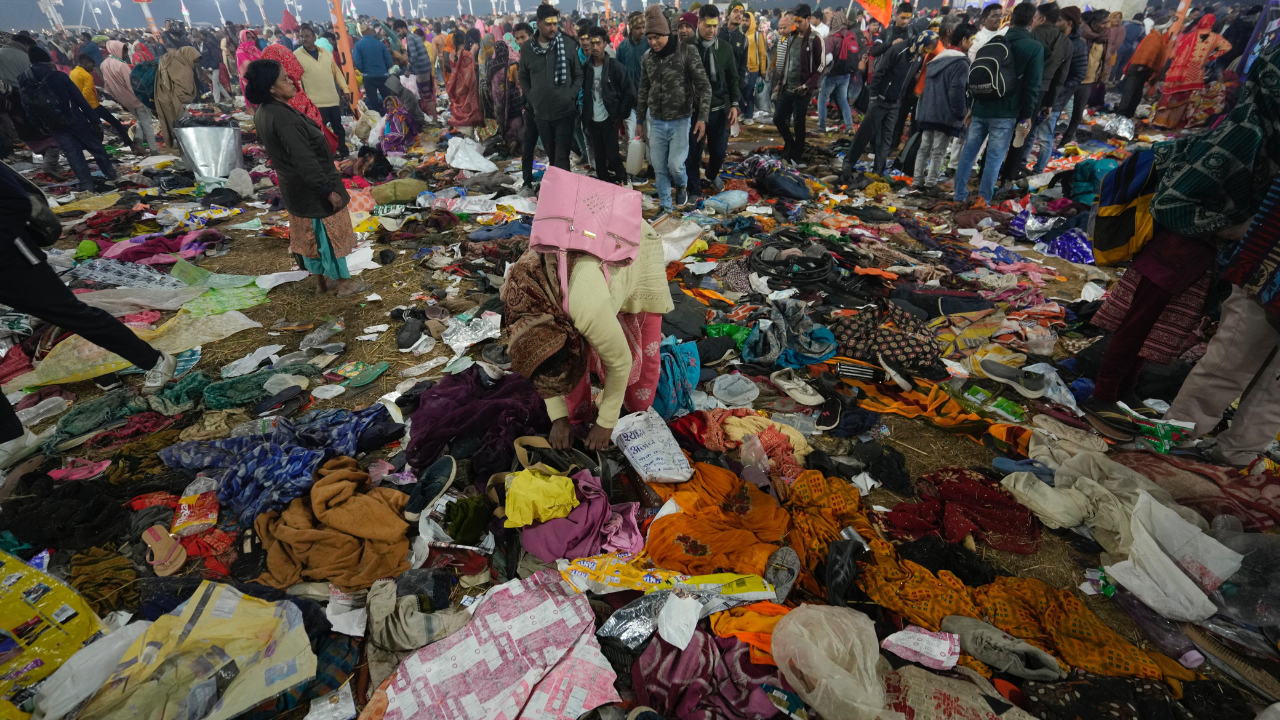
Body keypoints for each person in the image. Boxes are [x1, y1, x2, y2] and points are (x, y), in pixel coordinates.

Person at [1087, 43, 1280, 441]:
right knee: (1138, 322)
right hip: (1176, 249)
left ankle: (1126, 391)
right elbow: (1171, 202)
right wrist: (1233, 228)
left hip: (1203, 256)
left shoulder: (1266, 135)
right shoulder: (1243, 135)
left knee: (1165, 326)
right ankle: (1103, 394)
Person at [0, 161, 176, 463]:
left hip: (11, 261)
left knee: (71, 314)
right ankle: (11, 437)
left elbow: (15, 203)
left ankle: (155, 359)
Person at [246, 58, 368, 299]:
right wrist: (327, 190)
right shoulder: (282, 117)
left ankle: (321, 283)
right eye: (284, 78)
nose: (291, 81)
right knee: (327, 238)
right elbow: (304, 159)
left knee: (309, 237)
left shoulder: (267, 110)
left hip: (296, 189)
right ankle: (344, 284)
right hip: (312, 189)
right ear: (271, 87)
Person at [952, 1, 1042, 204]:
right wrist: (1027, 114)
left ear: (1011, 18)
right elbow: (1033, 85)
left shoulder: (995, 40)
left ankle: (959, 195)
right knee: (994, 158)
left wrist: (972, 106)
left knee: (968, 153)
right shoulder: (1034, 48)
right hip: (1006, 111)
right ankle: (983, 199)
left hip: (981, 105)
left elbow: (979, 74)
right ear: (1031, 21)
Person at [636, 3, 710, 212]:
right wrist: (640, 120)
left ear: (666, 33)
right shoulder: (647, 58)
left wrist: (702, 118)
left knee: (675, 166)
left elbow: (704, 87)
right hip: (656, 121)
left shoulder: (687, 51)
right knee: (659, 168)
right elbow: (643, 89)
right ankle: (666, 207)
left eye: (656, 37)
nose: (653, 42)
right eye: (649, 38)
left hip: (681, 120)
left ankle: (682, 184)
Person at [841, 29, 931, 178]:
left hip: (895, 103)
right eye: (927, 48)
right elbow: (879, 72)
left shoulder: (918, 57)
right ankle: (848, 163)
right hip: (880, 99)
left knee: (886, 139)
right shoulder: (898, 50)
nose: (927, 52)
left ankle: (878, 171)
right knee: (865, 134)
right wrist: (874, 97)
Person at [18, 60, 116, 192]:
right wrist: (94, 120)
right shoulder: (59, 76)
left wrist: (41, 125)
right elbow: (79, 99)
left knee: (72, 154)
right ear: (46, 62)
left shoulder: (25, 82)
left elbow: (28, 108)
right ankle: (112, 176)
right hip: (76, 119)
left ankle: (87, 185)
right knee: (96, 147)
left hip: (55, 126)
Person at [518, 4, 583, 189]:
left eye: (555, 23)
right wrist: (531, 96)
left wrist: (569, 95)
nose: (553, 28)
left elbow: (578, 74)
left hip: (564, 112)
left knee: (562, 155)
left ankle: (563, 194)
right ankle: (560, 192)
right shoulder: (528, 49)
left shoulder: (568, 45)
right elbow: (523, 75)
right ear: (538, 24)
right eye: (548, 24)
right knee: (552, 155)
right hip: (541, 114)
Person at [686, 4, 739, 199]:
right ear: (698, 22)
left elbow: (733, 78)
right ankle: (694, 190)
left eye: (715, 26)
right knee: (692, 154)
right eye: (708, 25)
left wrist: (734, 104)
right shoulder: (688, 47)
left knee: (718, 152)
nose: (712, 30)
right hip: (694, 111)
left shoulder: (725, 48)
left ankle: (711, 174)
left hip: (718, 110)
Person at [914, 26, 971, 193]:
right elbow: (957, 90)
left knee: (924, 147)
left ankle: (917, 180)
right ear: (963, 41)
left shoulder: (936, 59)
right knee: (938, 151)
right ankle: (931, 183)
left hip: (928, 111)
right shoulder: (960, 63)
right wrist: (961, 114)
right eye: (971, 39)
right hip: (944, 114)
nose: (972, 43)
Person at [1031, 6, 1087, 173]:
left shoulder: (1077, 46)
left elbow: (1078, 76)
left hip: (1054, 100)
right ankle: (1021, 168)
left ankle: (1039, 169)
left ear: (1069, 23)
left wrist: (1058, 90)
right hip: (1040, 96)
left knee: (1045, 135)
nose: (1056, 23)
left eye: (1059, 21)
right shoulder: (1055, 39)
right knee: (1030, 132)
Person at [1153, 14, 1231, 127]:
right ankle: (1172, 123)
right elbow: (1227, 47)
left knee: (1171, 95)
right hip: (1194, 73)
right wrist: (1210, 58)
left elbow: (1173, 54)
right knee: (1183, 96)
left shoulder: (1190, 35)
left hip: (1178, 71)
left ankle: (1159, 121)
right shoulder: (1215, 38)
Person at [580, 26, 635, 186]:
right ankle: (605, 184)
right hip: (592, 119)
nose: (595, 47)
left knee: (613, 154)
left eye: (598, 43)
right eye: (592, 43)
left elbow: (629, 91)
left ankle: (623, 178)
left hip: (609, 118)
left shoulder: (615, 67)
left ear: (605, 44)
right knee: (599, 156)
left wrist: (620, 113)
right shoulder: (586, 68)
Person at [771, 4, 822, 165]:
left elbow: (821, 67)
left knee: (799, 124)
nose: (797, 25)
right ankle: (790, 144)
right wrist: (780, 83)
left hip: (803, 91)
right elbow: (787, 61)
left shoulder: (815, 38)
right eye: (795, 21)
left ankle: (796, 155)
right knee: (778, 118)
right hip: (787, 88)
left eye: (800, 22)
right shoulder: (792, 36)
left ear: (808, 19)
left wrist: (807, 85)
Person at [295, 24, 350, 159]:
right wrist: (302, 100)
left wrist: (345, 89)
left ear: (314, 37)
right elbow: (297, 80)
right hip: (315, 103)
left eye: (307, 36)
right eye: (302, 36)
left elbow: (337, 73)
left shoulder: (325, 53)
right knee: (318, 132)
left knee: (338, 129)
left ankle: (342, 152)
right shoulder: (296, 55)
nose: (304, 39)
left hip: (332, 99)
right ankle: (324, 155)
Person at [102, 41, 159, 155]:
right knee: (147, 123)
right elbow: (132, 84)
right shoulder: (121, 65)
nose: (126, 54)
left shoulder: (104, 64)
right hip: (136, 99)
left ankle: (138, 141)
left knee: (140, 120)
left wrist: (119, 99)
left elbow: (107, 86)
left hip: (124, 100)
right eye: (124, 51)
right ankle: (154, 150)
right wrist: (145, 96)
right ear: (117, 50)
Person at [68, 54, 135, 150]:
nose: (93, 69)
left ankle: (95, 147)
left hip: (81, 107)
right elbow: (86, 93)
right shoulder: (86, 75)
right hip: (93, 106)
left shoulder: (72, 73)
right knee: (114, 122)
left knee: (94, 127)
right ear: (85, 63)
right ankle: (128, 142)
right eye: (91, 66)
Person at [1117, 17, 1169, 119]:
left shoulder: (1156, 37)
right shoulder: (1154, 38)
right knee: (1130, 93)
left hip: (1143, 69)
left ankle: (1127, 115)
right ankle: (1121, 115)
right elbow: (1147, 55)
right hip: (1140, 67)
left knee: (1136, 94)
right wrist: (1145, 67)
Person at [154, 46, 200, 153]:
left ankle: (181, 147)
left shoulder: (173, 62)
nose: (195, 63)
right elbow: (181, 92)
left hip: (165, 98)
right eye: (194, 60)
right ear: (188, 56)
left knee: (174, 124)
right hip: (175, 101)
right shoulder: (182, 68)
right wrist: (187, 98)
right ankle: (186, 149)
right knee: (185, 126)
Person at [816, 9, 855, 134]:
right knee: (843, 99)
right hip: (846, 74)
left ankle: (821, 127)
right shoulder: (850, 35)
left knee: (822, 99)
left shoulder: (832, 37)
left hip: (832, 75)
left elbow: (826, 57)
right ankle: (849, 126)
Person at [616, 11, 648, 140]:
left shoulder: (649, 44)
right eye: (637, 28)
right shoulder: (622, 48)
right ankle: (633, 161)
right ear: (630, 28)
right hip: (629, 101)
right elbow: (617, 75)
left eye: (643, 27)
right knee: (631, 138)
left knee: (650, 137)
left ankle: (650, 161)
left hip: (647, 100)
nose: (641, 31)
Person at [353, 25, 394, 113]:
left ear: (362, 33)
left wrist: (364, 71)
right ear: (370, 32)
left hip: (368, 77)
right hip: (383, 76)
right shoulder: (380, 44)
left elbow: (357, 62)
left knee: (373, 101)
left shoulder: (358, 45)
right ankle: (391, 118)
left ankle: (378, 121)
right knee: (388, 99)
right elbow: (389, 61)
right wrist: (384, 70)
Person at [742, 12, 768, 124]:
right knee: (742, 93)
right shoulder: (741, 34)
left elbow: (762, 53)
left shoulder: (757, 35)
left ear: (751, 21)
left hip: (753, 69)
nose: (744, 23)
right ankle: (743, 113)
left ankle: (749, 115)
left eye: (746, 20)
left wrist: (762, 70)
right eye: (743, 20)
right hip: (743, 69)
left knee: (749, 92)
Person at [235, 29, 263, 102]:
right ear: (242, 38)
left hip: (261, 77)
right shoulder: (240, 52)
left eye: (252, 37)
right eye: (248, 37)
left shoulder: (255, 49)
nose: (250, 40)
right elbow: (247, 65)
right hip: (249, 79)